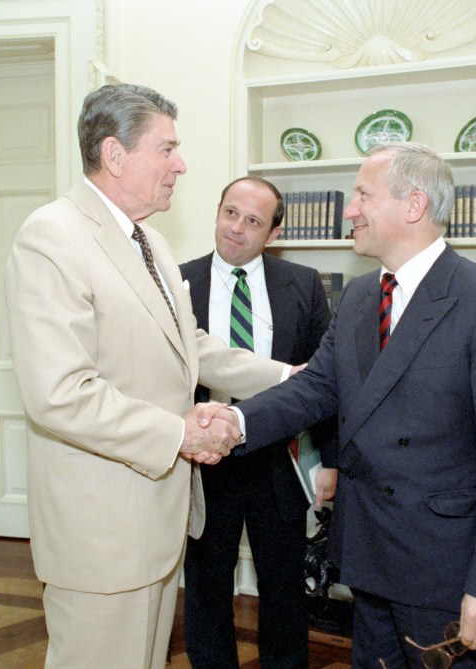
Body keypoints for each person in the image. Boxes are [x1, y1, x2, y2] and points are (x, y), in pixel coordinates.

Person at [204, 142, 476, 668]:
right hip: (369, 553)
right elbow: (314, 387)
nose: (349, 210)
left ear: (412, 206)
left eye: (363, 194)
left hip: (443, 571)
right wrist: (235, 419)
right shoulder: (363, 296)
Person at [4, 83, 288, 669]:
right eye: (167, 149)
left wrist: (293, 376)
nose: (181, 164)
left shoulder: (150, 241)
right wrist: (180, 434)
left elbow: (193, 346)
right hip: (101, 536)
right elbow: (60, 395)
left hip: (159, 524)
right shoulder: (51, 237)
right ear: (115, 155)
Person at [179, 176, 338, 668]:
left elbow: (325, 382)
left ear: (273, 233)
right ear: (217, 212)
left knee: (284, 590)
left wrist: (329, 461)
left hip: (279, 463)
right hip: (205, 463)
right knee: (206, 588)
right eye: (230, 213)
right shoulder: (178, 282)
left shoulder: (305, 284)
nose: (236, 229)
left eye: (253, 221)